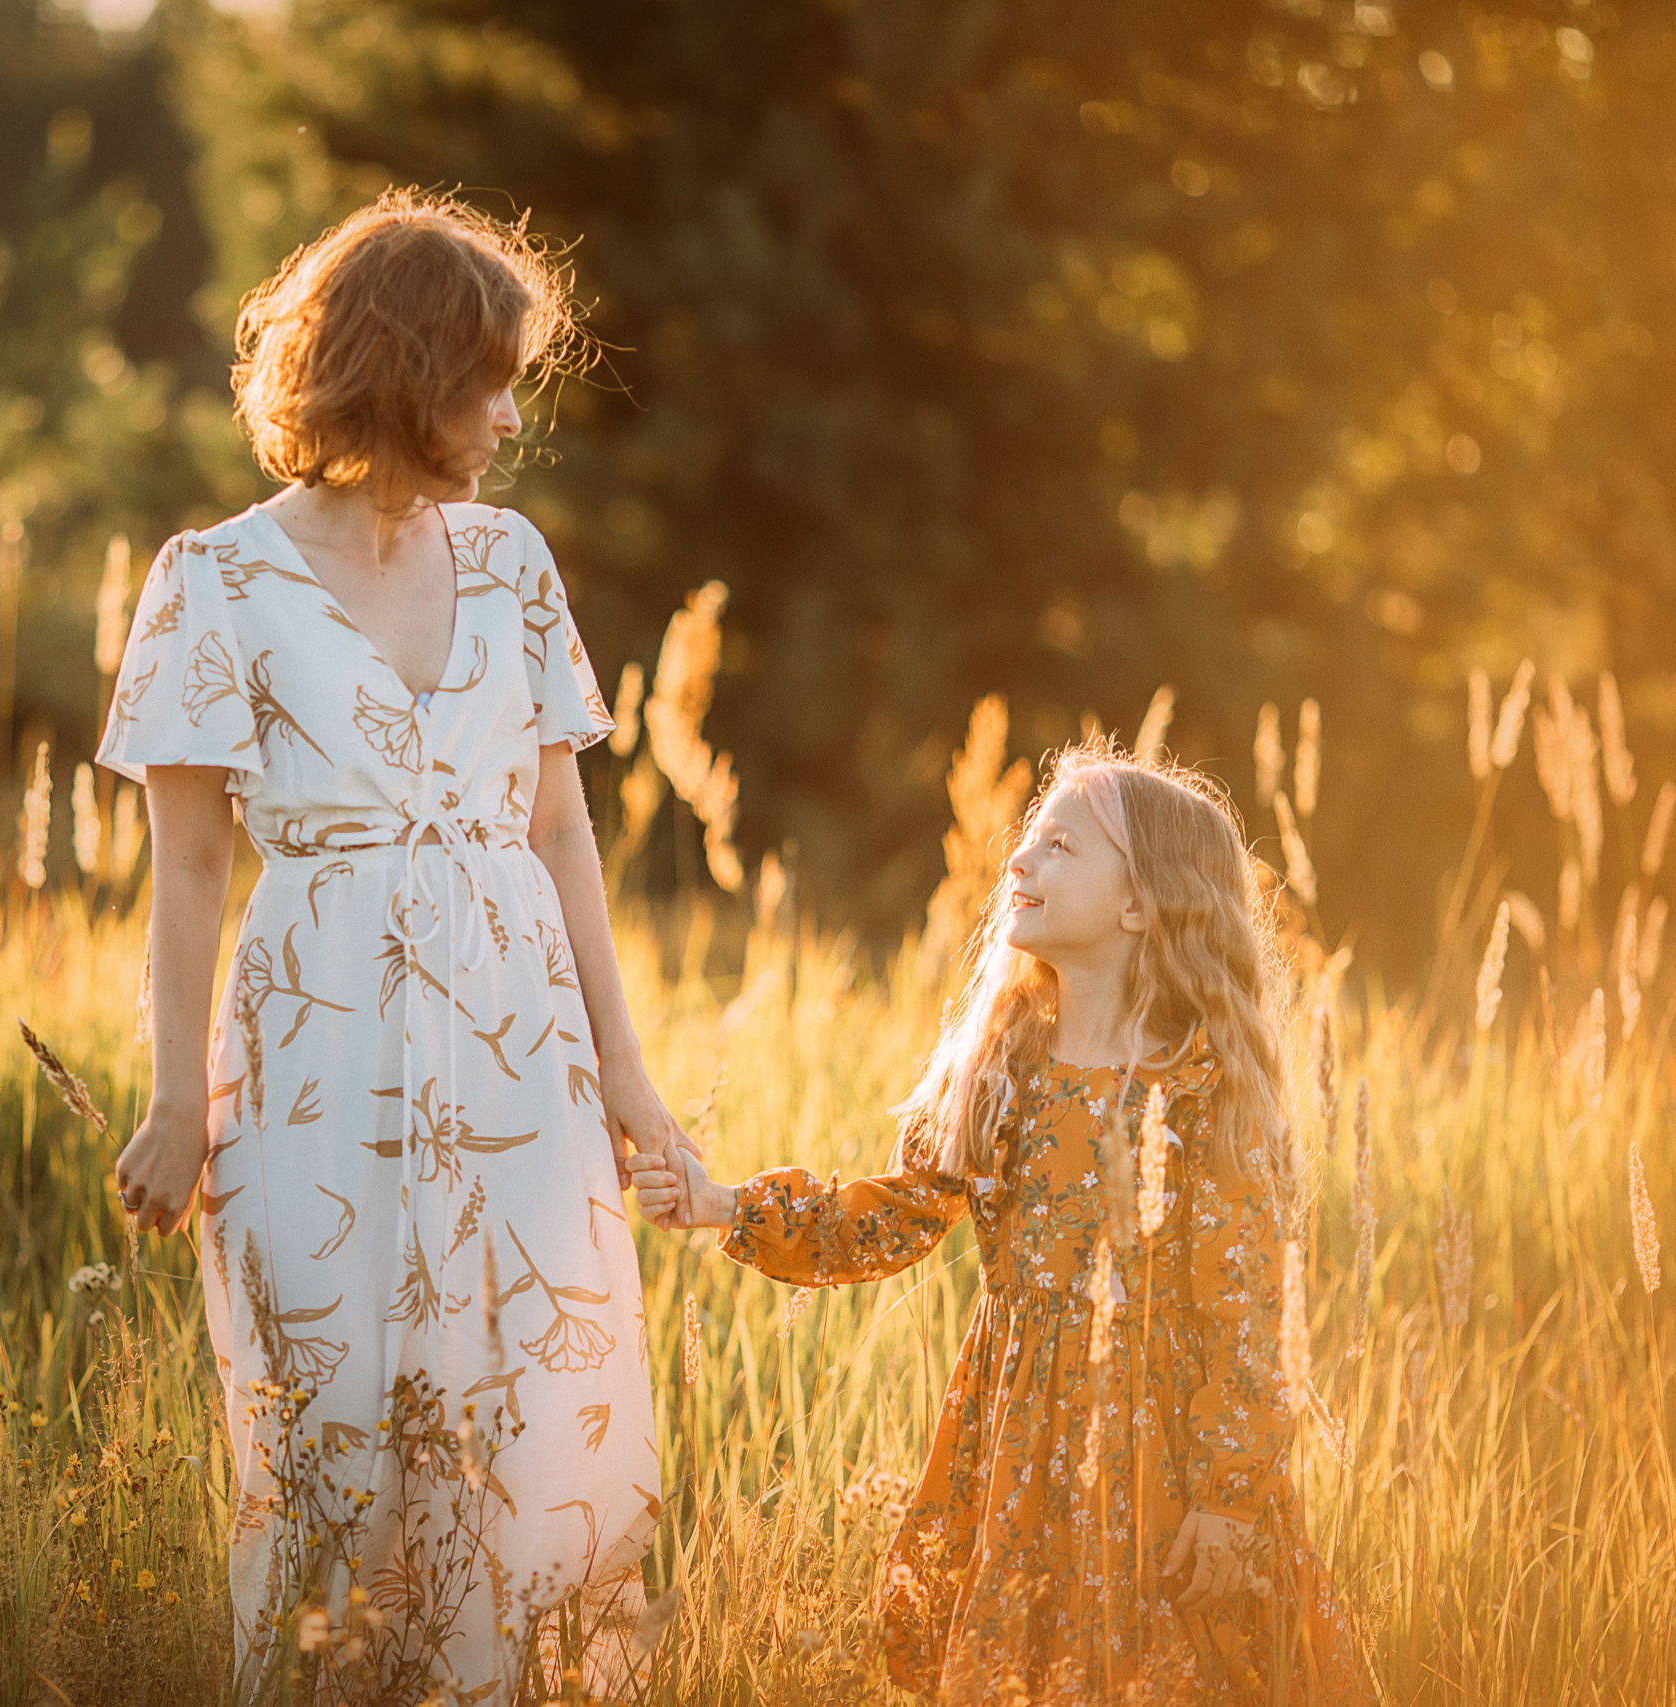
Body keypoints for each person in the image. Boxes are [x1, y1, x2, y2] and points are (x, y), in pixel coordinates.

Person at [95, 188, 685, 1700]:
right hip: (315, 1039)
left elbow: (561, 832)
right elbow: (190, 865)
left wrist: (629, 1080)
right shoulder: (212, 582)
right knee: (326, 1416)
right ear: (409, 370)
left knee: (519, 1414)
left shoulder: (513, 562)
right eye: (486, 378)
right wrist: (173, 1099)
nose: (508, 413)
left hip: (514, 1035)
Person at [630, 744, 1374, 1705]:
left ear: (1142, 903)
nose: (1018, 860)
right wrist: (728, 1203)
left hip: (1160, 1464)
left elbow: (1247, 1316)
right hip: (1019, 1448)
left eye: (1060, 845)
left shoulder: (1201, 1092)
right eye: (1028, 838)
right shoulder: (1006, 1065)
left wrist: (1230, 1498)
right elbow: (896, 1214)